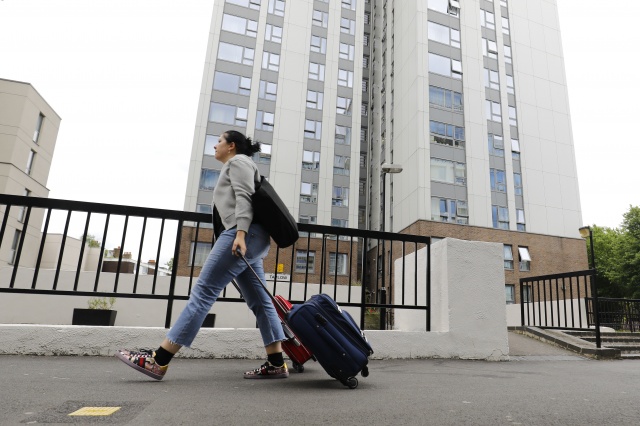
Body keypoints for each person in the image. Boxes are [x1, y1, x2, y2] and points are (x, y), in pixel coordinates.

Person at [115, 130, 288, 380]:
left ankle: (158, 359)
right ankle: (276, 362)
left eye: (219, 141)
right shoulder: (241, 164)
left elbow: (244, 199)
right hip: (253, 236)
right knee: (260, 301)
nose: (215, 146)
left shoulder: (238, 162)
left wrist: (239, 233)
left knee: (204, 292)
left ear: (231, 146)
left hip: (243, 235)